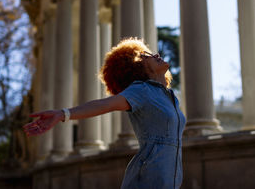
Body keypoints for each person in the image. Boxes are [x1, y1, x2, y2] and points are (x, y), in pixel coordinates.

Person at [23, 37, 186, 188]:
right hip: (146, 180)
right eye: (145, 55)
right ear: (136, 67)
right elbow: (104, 105)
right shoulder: (141, 91)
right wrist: (62, 114)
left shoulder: (171, 98)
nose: (155, 54)